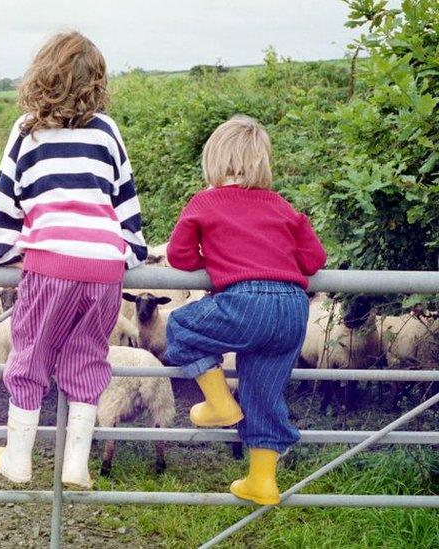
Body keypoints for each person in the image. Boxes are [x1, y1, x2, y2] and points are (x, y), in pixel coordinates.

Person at [0, 31, 147, 489]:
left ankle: (18, 459)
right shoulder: (107, 130)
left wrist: (2, 250)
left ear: (41, 76)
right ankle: (76, 464)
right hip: (103, 268)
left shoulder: (26, 130)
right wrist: (131, 250)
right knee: (88, 358)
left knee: (31, 355)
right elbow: (124, 199)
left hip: (50, 263)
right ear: (96, 82)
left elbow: (7, 197)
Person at [162, 115, 326, 505]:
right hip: (291, 308)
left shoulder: (205, 202)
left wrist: (214, 254)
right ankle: (262, 481)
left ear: (213, 162)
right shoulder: (282, 206)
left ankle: (220, 404)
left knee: (182, 327)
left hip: (244, 301)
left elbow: (179, 257)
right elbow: (314, 259)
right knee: (264, 393)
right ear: (263, 163)